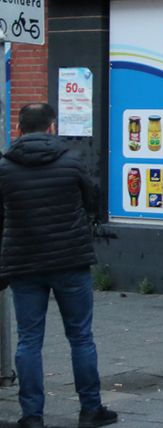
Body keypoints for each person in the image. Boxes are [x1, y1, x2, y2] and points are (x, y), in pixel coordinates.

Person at [0, 103, 117, 428]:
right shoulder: (71, 161)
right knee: (80, 337)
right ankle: (90, 410)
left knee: (29, 340)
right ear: (52, 127)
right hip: (70, 260)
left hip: (24, 263)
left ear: (19, 128)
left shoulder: (5, 168)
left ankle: (32, 416)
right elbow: (92, 200)